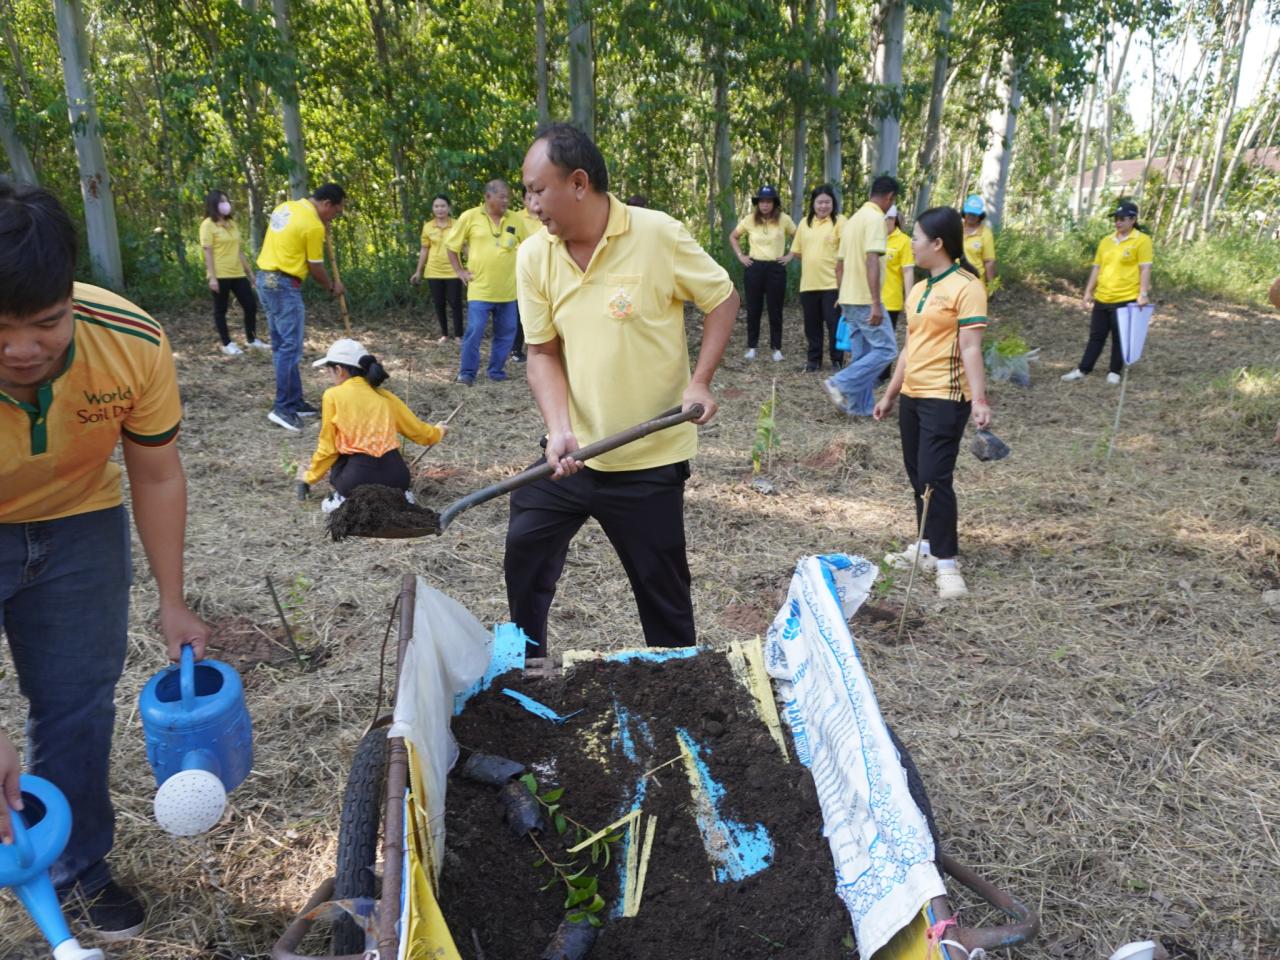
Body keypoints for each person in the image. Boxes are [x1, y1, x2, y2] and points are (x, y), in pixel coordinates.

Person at [0, 182, 210, 938]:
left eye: (46, 323)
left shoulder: (131, 340)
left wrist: (173, 598)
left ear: (70, 298)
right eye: (2, 329)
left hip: (78, 521)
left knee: (77, 703)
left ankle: (76, 870)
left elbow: (155, 472)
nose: (24, 349)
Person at [510, 122, 739, 650]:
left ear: (579, 183)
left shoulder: (656, 234)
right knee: (525, 542)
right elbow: (542, 354)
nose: (530, 204)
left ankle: (679, 683)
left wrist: (700, 382)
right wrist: (558, 429)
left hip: (648, 458)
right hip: (575, 452)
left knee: (663, 595)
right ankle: (528, 665)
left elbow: (723, 299)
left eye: (537, 190)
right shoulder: (533, 257)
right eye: (527, 191)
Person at [872, 206, 991, 601]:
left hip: (947, 396)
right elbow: (909, 347)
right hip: (913, 396)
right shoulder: (919, 291)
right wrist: (890, 394)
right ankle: (924, 545)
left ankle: (947, 562)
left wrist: (979, 399)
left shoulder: (967, 286)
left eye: (917, 237)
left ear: (938, 244)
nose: (912, 244)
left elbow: (971, 347)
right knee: (916, 475)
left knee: (935, 478)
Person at [298, 338, 448, 511]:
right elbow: (423, 434)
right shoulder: (385, 396)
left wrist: (309, 477)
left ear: (339, 370)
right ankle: (402, 499)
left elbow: (328, 449)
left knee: (341, 450)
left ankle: (343, 501)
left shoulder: (333, 396)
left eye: (330, 372)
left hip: (356, 480)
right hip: (397, 479)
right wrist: (439, 430)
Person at [256, 182, 347, 432]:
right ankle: (282, 407)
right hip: (284, 284)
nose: (334, 218)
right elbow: (315, 266)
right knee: (290, 348)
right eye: (336, 212)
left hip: (265, 278)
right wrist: (331, 286)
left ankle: (294, 401)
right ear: (327, 204)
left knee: (282, 345)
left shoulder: (286, 207)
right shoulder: (312, 224)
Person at [823, 175, 899, 415]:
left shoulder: (854, 220)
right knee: (887, 349)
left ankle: (859, 407)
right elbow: (872, 259)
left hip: (848, 297)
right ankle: (840, 382)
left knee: (863, 353)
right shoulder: (876, 219)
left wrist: (841, 294)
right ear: (889, 198)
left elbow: (839, 265)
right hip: (865, 299)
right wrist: (876, 303)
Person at [446, 180, 530, 385]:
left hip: (508, 291)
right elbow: (451, 245)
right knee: (474, 331)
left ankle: (496, 371)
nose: (506, 200)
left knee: (507, 333)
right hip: (480, 291)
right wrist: (459, 271)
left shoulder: (515, 219)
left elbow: (528, 247)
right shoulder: (470, 216)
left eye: (507, 197)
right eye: (501, 196)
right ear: (488, 197)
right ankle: (467, 373)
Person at [1062, 200, 1153, 385]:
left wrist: (1142, 293)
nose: (1118, 222)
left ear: (1133, 219)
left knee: (1119, 337)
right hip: (1103, 296)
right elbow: (1097, 268)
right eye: (1116, 219)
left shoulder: (1142, 240)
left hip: (1125, 297)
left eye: (1122, 219)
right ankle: (1083, 368)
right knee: (1096, 336)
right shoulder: (1106, 241)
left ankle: (1114, 371)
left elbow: (1145, 268)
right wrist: (1088, 291)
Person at [730, 185, 796, 362]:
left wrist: (790, 255)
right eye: (762, 201)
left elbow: (798, 237)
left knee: (775, 309)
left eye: (769, 201)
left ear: (775, 203)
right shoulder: (750, 219)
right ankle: (752, 347)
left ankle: (776, 348)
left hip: (776, 267)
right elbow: (733, 236)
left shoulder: (784, 219)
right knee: (754, 308)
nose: (765, 205)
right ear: (757, 203)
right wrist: (740, 256)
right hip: (754, 267)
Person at [199, 190, 266, 356]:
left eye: (226, 200)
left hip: (237, 273)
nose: (225, 203)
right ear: (214, 204)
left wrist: (250, 273)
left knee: (250, 305)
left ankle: (252, 339)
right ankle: (227, 343)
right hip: (220, 274)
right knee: (220, 310)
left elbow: (239, 250)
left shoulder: (232, 224)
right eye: (222, 201)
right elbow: (207, 252)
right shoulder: (207, 224)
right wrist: (212, 277)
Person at [788, 184, 845, 372]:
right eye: (819, 202)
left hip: (832, 283)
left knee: (833, 323)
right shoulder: (805, 223)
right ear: (813, 203)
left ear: (833, 203)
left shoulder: (840, 221)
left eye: (827, 202)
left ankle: (837, 360)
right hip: (809, 284)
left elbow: (848, 249)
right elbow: (796, 251)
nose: (823, 206)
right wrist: (814, 257)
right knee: (812, 326)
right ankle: (814, 360)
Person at [410, 194, 462, 343]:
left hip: (454, 270)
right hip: (433, 271)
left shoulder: (457, 224)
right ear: (433, 209)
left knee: (455, 303)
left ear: (449, 208)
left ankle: (459, 335)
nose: (440, 209)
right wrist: (418, 271)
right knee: (439, 303)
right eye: (436, 206)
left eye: (443, 206)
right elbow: (424, 249)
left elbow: (464, 246)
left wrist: (471, 265)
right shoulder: (428, 226)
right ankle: (444, 334)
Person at [879, 204, 915, 381]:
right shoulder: (872, 237)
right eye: (884, 218)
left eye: (890, 218)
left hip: (890, 300)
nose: (886, 221)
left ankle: (883, 376)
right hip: (869, 298)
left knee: (885, 341)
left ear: (895, 220)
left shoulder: (904, 241)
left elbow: (908, 272)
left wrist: (910, 300)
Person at [961, 194, 997, 291]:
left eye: (975, 214)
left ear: (980, 215)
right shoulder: (956, 228)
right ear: (964, 212)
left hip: (975, 282)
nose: (971, 216)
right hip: (954, 279)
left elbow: (989, 262)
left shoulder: (985, 233)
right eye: (969, 213)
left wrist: (991, 286)